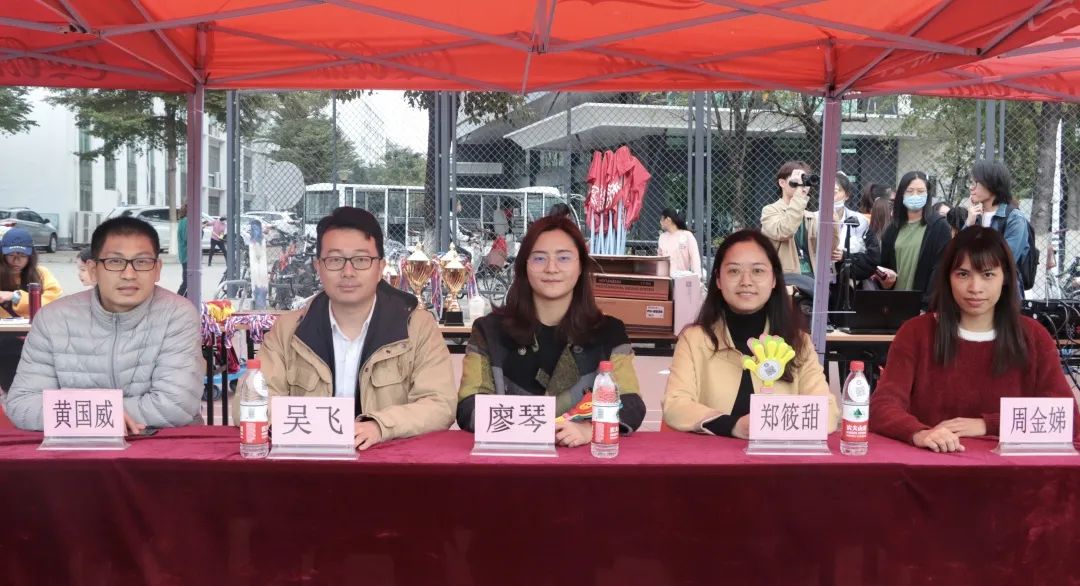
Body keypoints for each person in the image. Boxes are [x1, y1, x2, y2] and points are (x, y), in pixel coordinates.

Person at [252, 207, 456, 450]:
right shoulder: (288, 330)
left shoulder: (417, 328)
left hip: (388, 463)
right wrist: (318, 427)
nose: (348, 272)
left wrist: (380, 426)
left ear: (380, 267)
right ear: (318, 267)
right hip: (308, 460)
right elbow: (252, 401)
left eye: (361, 260)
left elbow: (439, 404)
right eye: (335, 260)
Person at [870, 227, 1079, 451]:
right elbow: (882, 407)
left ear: (1005, 278)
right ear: (948, 277)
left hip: (1010, 468)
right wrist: (919, 433)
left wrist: (987, 424)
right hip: (933, 462)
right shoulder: (915, 332)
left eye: (988, 275)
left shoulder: (1033, 336)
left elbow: (1067, 418)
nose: (975, 288)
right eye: (963, 274)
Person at [457, 215, 646, 445]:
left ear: (580, 266)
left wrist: (590, 429)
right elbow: (469, 405)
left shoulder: (609, 332)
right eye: (539, 258)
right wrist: (539, 427)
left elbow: (630, 403)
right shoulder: (489, 331)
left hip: (582, 460)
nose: (551, 268)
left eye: (564, 258)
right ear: (524, 266)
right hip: (512, 458)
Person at [5, 217, 203, 432]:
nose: (129, 274)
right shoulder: (52, 319)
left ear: (157, 269)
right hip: (75, 449)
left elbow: (175, 406)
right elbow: (23, 405)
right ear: (92, 270)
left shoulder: (177, 314)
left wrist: (85, 414)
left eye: (142, 262)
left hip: (162, 445)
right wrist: (101, 415)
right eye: (115, 262)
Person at [662, 229, 839, 437]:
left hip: (779, 456)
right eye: (734, 271)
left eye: (758, 271)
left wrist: (769, 424)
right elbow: (675, 405)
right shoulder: (694, 340)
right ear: (718, 279)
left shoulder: (798, 343)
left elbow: (827, 413)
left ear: (774, 280)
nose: (746, 281)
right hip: (711, 456)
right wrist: (733, 425)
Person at [875, 171, 952, 307]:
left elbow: (941, 269)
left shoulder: (939, 227)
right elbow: (885, 265)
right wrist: (885, 281)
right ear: (901, 194)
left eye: (920, 191)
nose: (915, 195)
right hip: (895, 304)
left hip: (924, 306)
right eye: (910, 191)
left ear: (928, 194)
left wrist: (927, 304)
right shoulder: (892, 229)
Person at [964, 159, 1031, 288]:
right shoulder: (974, 216)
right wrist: (969, 224)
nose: (971, 188)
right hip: (975, 287)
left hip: (1004, 289)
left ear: (991, 184)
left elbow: (1005, 259)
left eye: (975, 183)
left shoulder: (1014, 218)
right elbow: (957, 253)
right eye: (970, 183)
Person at [761, 161, 817, 276]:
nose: (802, 186)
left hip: (813, 276)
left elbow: (828, 247)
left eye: (805, 181)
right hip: (786, 277)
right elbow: (785, 231)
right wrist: (799, 197)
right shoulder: (770, 211)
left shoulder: (811, 216)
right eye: (797, 181)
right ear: (782, 183)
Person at [0, 228, 62, 318]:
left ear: (31, 256)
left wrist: (15, 296)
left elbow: (52, 303)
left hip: (35, 325)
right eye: (11, 255)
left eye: (23, 255)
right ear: (2, 255)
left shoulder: (41, 273)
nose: (16, 261)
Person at [658, 208, 702, 277]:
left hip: (682, 279)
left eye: (662, 219)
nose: (660, 222)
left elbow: (695, 258)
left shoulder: (687, 235)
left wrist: (697, 277)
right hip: (665, 278)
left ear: (668, 220)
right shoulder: (662, 237)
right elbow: (659, 259)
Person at [176, 204, 189, 297]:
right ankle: (177, 299)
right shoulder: (186, 221)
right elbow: (186, 237)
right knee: (187, 281)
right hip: (187, 255)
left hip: (185, 255)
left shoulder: (182, 221)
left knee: (188, 281)